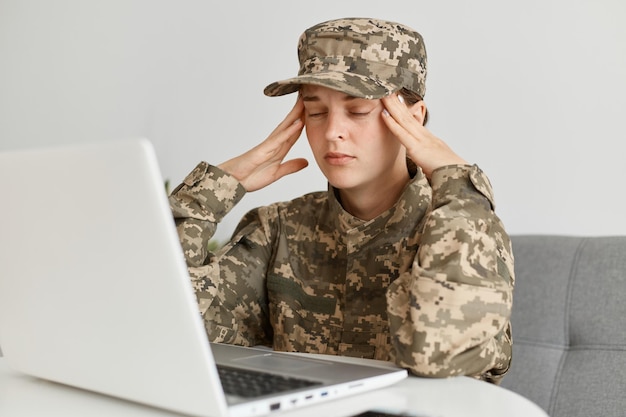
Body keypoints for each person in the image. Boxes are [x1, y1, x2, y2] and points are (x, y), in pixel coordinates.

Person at [169, 17, 514, 384]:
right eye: (316, 112)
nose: (332, 132)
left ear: (413, 120)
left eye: (358, 111)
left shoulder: (465, 228)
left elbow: (437, 350)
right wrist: (212, 191)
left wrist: (457, 179)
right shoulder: (278, 229)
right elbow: (175, 325)